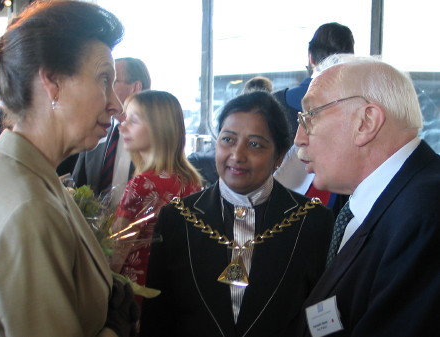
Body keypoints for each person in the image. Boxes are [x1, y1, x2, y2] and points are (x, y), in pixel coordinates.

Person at [0, 2, 138, 336]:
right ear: (52, 82)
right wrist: (114, 329)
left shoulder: (20, 174)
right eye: (104, 79)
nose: (116, 105)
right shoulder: (31, 208)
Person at [140, 91, 334, 337]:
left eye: (255, 144)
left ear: (279, 157)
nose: (237, 155)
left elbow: (320, 314)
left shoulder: (312, 220)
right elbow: (156, 316)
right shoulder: (176, 218)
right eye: (228, 140)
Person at [294, 55, 440, 337]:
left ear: (366, 122)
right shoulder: (383, 201)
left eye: (310, 116)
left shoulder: (425, 214)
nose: (299, 137)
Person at [113, 90, 202, 301]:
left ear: (159, 128)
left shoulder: (142, 183)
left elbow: (114, 257)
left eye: (133, 120)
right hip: (172, 291)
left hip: (136, 293)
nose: (122, 125)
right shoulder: (191, 181)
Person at [274, 22, 354, 216]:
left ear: (311, 58)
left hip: (276, 211)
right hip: (337, 216)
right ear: (351, 60)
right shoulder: (359, 108)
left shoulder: (273, 104)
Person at [72, 57, 151, 205]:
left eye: (112, 82)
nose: (104, 89)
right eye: (103, 82)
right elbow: (77, 184)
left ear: (136, 87)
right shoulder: (96, 130)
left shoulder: (155, 138)